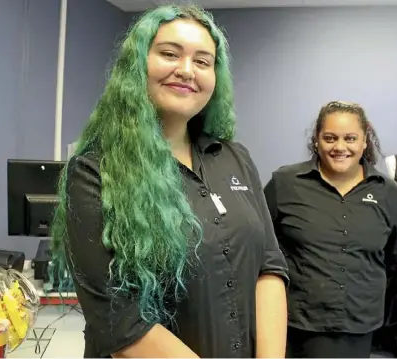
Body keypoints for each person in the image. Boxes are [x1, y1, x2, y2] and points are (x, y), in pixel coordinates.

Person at [49, 4, 289, 358]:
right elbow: (121, 322)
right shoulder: (94, 173)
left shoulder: (235, 158)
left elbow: (269, 266)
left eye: (203, 61)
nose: (187, 70)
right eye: (169, 54)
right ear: (137, 65)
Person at [263, 101, 397, 358]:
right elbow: (262, 246)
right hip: (295, 323)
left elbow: (394, 258)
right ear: (317, 140)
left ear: (365, 141)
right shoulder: (284, 184)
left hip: (357, 326)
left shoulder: (389, 193)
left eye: (350, 138)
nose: (340, 147)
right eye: (330, 138)